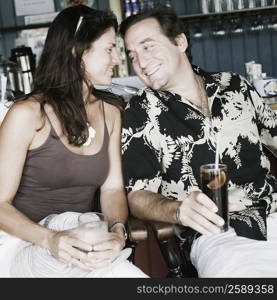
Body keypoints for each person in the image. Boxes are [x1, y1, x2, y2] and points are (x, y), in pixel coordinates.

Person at [119, 5, 277, 277]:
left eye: (148, 47)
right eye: (132, 55)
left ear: (179, 42)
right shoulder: (140, 113)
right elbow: (137, 196)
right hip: (218, 234)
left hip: (272, 211)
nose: (141, 63)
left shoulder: (236, 86)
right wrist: (179, 211)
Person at [0, 5, 147, 278]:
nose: (117, 58)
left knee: (98, 251)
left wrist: (117, 232)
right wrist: (50, 239)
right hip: (23, 244)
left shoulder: (110, 113)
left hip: (81, 244)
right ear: (76, 52)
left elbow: (113, 189)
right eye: (108, 49)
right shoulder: (28, 115)